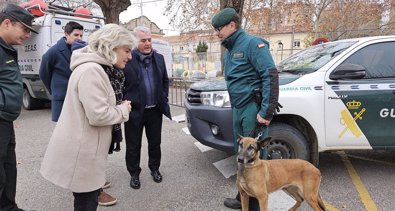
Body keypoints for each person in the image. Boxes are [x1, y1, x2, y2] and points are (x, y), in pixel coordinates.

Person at [40, 24, 135, 211]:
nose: (130, 56)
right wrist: (123, 110)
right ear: (111, 46)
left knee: (87, 199)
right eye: (126, 50)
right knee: (86, 203)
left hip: (85, 149)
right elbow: (98, 115)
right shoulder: (92, 70)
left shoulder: (95, 68)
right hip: (83, 152)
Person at [211, 8, 279, 211]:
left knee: (254, 158)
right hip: (238, 109)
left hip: (252, 108)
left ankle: (255, 206)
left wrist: (266, 112)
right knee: (240, 153)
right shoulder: (231, 50)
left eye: (219, 28)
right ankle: (243, 197)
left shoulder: (252, 44)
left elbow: (270, 76)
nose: (216, 33)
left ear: (232, 25)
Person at [123, 26, 171, 189]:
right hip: (134, 111)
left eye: (149, 40)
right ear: (136, 41)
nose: (147, 43)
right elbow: (121, 84)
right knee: (133, 145)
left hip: (155, 110)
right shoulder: (127, 59)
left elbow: (165, 80)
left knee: (155, 143)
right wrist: (124, 103)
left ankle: (155, 169)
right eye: (143, 40)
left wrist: (163, 96)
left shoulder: (159, 58)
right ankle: (134, 174)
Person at [0, 4, 37, 211]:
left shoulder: (6, 48)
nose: (27, 35)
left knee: (8, 169)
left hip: (6, 120)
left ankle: (8, 207)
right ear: (7, 23)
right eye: (24, 29)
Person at [39, 21, 83, 122]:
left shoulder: (81, 50)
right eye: (76, 35)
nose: (79, 38)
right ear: (66, 34)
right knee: (62, 131)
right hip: (61, 97)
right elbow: (43, 73)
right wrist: (54, 90)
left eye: (81, 35)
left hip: (78, 96)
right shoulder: (53, 51)